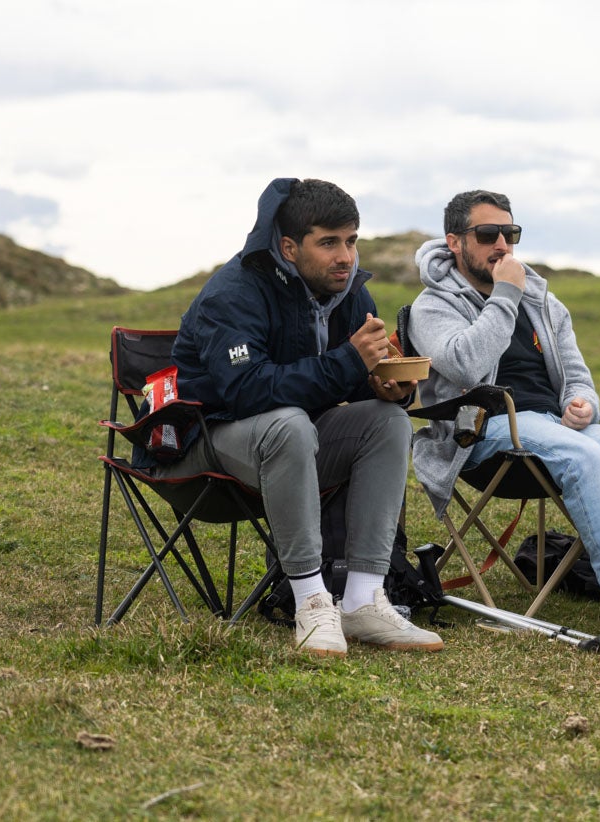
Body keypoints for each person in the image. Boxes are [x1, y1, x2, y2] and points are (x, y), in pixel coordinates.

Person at [407, 190, 600, 635]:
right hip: (483, 431)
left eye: (510, 233)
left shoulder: (545, 303)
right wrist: (506, 293)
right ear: (454, 242)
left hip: (552, 426)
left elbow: (577, 375)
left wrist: (582, 403)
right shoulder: (434, 304)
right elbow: (466, 365)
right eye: (488, 234)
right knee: (584, 456)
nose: (502, 245)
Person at [158, 178, 443, 657]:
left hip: (290, 448)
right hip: (203, 450)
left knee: (386, 421)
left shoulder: (350, 294)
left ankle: (362, 598)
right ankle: (311, 601)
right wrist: (351, 362)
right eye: (328, 242)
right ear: (289, 247)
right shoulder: (232, 293)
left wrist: (381, 385)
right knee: (288, 422)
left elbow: (338, 382)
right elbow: (248, 391)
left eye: (351, 241)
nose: (346, 257)